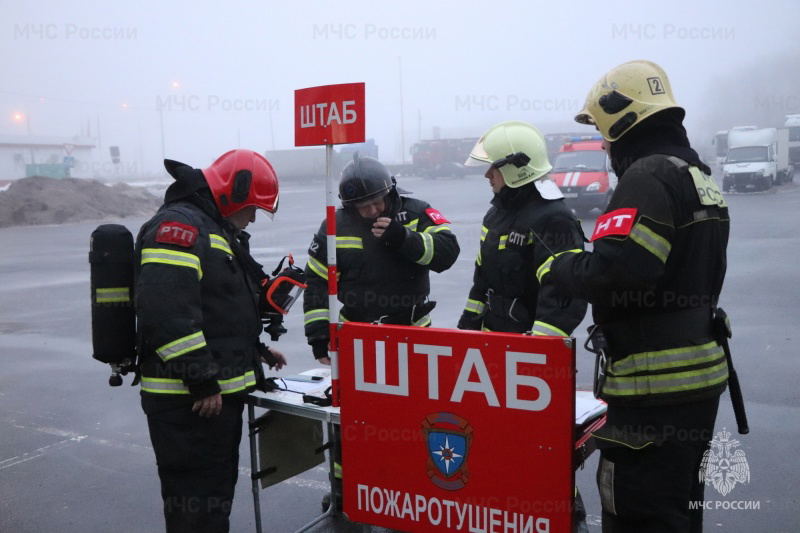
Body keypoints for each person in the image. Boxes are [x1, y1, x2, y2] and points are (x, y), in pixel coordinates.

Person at [548, 60, 731, 532]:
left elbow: (616, 272)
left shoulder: (646, 177)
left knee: (636, 512)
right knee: (679, 512)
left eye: (604, 132)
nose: (605, 145)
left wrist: (565, 267)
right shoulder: (697, 174)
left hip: (653, 393)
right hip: (697, 384)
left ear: (622, 118)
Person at [135, 149, 288, 533]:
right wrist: (201, 378)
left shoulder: (212, 229)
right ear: (232, 194)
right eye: (252, 208)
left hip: (207, 403)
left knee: (211, 499)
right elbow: (166, 310)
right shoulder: (179, 228)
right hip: (188, 402)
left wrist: (256, 350)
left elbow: (216, 309)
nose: (253, 217)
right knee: (196, 505)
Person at [303, 153, 460, 508]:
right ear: (348, 204)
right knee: (352, 420)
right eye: (363, 206)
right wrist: (318, 336)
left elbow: (448, 253)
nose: (372, 210)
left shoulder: (417, 210)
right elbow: (315, 282)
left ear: (389, 191)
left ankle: (411, 490)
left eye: (377, 202)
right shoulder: (334, 224)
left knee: (412, 419)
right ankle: (346, 490)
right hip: (357, 340)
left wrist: (402, 237)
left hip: (413, 337)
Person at [456, 120, 589, 532]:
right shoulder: (497, 214)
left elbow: (563, 293)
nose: (486, 175)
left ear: (515, 169)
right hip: (494, 353)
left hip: (531, 359)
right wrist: (464, 335)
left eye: (492, 168)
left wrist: (538, 353)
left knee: (541, 446)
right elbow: (482, 281)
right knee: (497, 440)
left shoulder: (554, 219)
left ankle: (567, 514)